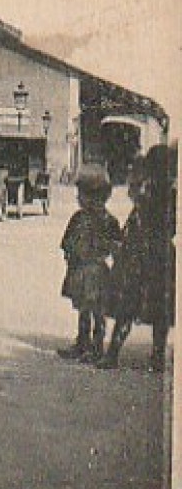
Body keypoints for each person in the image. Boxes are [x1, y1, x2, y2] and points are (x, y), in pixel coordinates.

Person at [100, 145, 175, 371]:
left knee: (128, 304)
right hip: (161, 255)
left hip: (140, 254)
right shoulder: (169, 193)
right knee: (158, 307)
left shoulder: (150, 193)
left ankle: (113, 354)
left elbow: (135, 222)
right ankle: (157, 357)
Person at [57, 165, 122, 362]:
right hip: (82, 270)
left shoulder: (106, 220)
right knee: (84, 309)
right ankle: (83, 343)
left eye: (82, 194)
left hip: (95, 271)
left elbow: (116, 245)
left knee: (97, 310)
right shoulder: (81, 218)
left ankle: (96, 347)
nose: (79, 198)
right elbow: (67, 242)